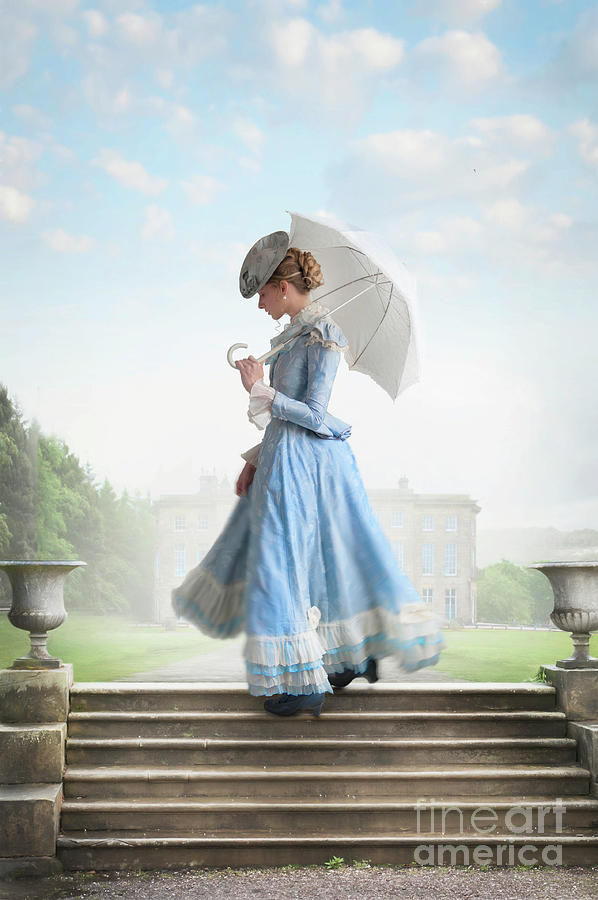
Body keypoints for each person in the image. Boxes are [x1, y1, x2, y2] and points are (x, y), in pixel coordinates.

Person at [172, 245, 443, 718]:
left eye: (262, 295)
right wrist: (255, 459)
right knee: (315, 559)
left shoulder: (324, 335)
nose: (260, 305)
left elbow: (315, 415)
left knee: (281, 563)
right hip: (284, 458)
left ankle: (301, 685)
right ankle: (348, 659)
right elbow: (284, 414)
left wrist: (260, 389)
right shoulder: (293, 336)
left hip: (305, 464)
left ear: (282, 287)